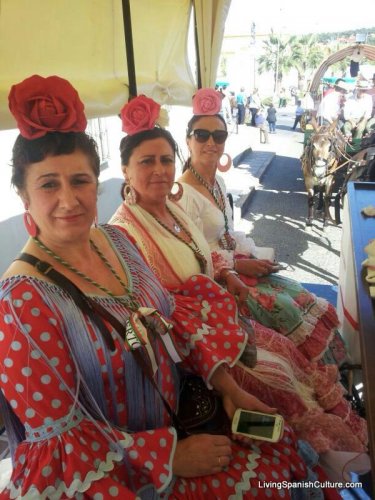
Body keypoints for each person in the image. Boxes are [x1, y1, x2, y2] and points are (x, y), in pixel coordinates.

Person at [0, 76, 325, 499]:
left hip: (184, 414)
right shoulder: (21, 301)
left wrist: (230, 389)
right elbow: (61, 442)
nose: (69, 199)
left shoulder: (116, 242)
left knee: (283, 447)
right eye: (48, 184)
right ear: (24, 196)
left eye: (79, 181)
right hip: (118, 471)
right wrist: (170, 456)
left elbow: (171, 321)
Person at [110, 91, 368, 458]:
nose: (159, 170)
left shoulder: (171, 206)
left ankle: (333, 436)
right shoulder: (125, 232)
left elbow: (204, 253)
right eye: (146, 161)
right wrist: (228, 385)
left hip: (221, 319)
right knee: (278, 383)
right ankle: (306, 454)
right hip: (193, 352)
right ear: (125, 170)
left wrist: (229, 276)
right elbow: (162, 315)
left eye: (165, 160)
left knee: (291, 356)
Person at [178, 88, 348, 368]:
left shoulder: (218, 183)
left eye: (218, 136)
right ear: (188, 141)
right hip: (216, 281)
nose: (211, 142)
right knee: (287, 309)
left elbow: (229, 234)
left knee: (301, 295)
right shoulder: (184, 193)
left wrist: (252, 258)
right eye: (202, 135)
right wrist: (237, 266)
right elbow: (191, 254)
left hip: (238, 264)